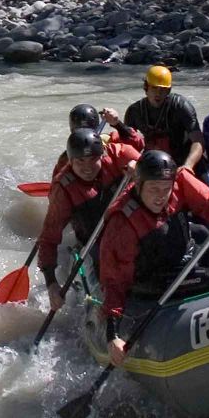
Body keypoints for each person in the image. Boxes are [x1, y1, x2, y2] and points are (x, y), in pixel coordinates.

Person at [97, 151, 209, 365]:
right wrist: (112, 334)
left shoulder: (179, 179)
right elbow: (113, 281)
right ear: (138, 184)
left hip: (186, 255)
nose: (160, 196)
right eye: (153, 189)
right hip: (154, 278)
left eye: (165, 189)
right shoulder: (122, 223)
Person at [37, 127, 140, 315]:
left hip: (129, 229)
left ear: (102, 155)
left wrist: (139, 167)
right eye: (80, 161)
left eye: (93, 159)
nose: (88, 167)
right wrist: (51, 283)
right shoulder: (63, 188)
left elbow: (151, 166)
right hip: (94, 240)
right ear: (70, 160)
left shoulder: (116, 153)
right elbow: (48, 239)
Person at [124, 65, 203, 172]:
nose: (158, 93)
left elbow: (198, 140)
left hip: (184, 162)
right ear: (146, 88)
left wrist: (188, 165)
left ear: (168, 91)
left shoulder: (181, 106)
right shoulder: (134, 111)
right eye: (154, 88)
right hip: (154, 163)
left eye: (163, 89)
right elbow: (127, 144)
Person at [51, 103, 140, 181]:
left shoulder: (111, 142)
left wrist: (117, 124)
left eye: (88, 130)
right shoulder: (66, 159)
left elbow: (138, 146)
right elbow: (57, 182)